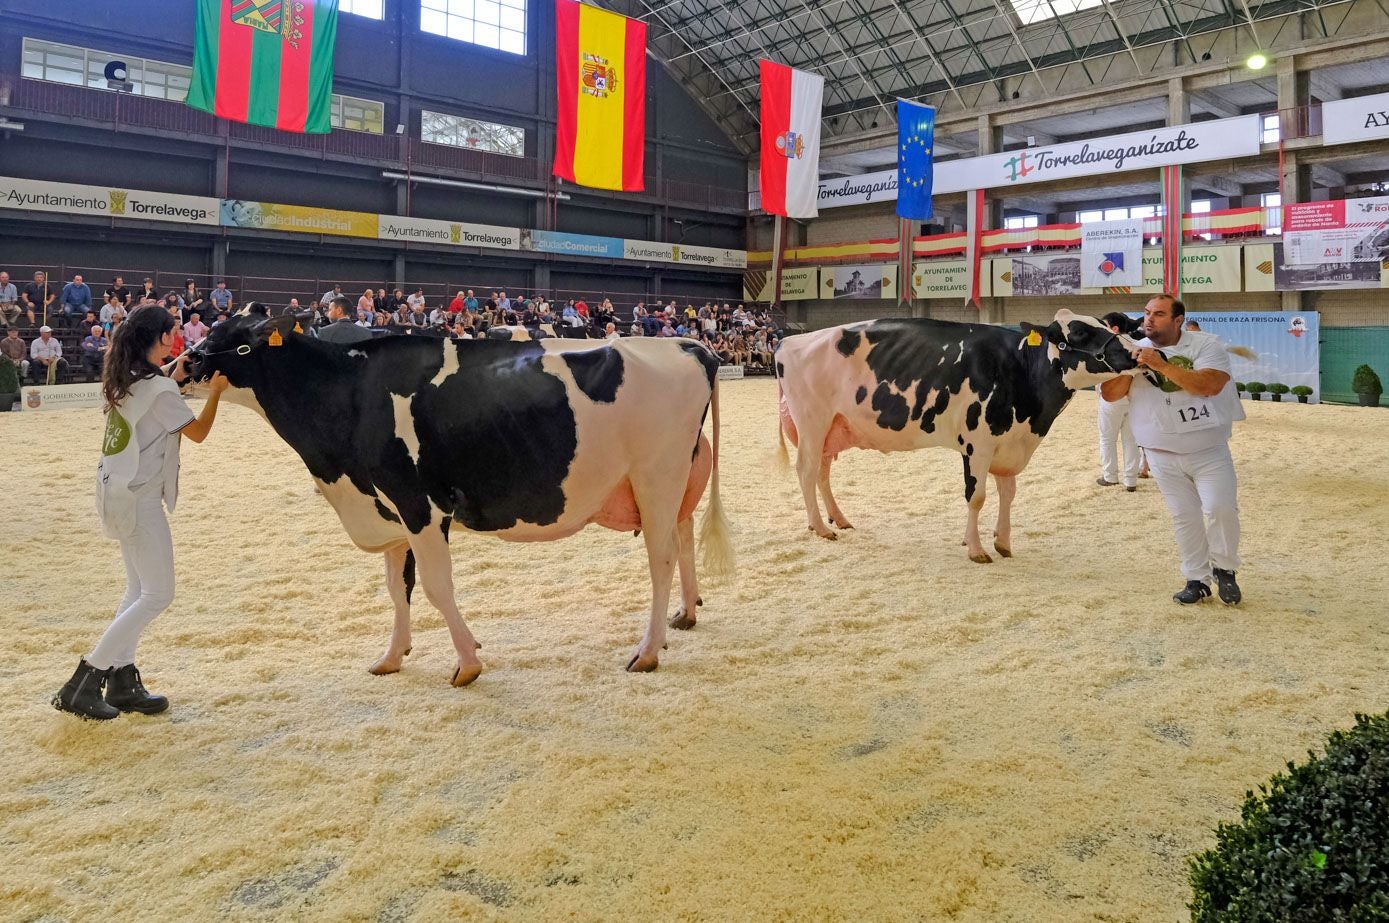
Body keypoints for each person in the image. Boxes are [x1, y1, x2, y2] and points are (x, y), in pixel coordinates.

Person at [52, 305, 229, 720]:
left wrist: (175, 374)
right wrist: (215, 392)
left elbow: (156, 392)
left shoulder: (129, 379)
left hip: (117, 491)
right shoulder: (160, 389)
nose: (177, 336)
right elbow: (198, 433)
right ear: (164, 338)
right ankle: (84, 679)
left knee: (137, 591)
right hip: (141, 499)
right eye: (173, 331)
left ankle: (121, 680)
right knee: (158, 594)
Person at [1100, 294, 1244, 606]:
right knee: (1184, 516)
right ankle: (1196, 579)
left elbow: (1208, 385)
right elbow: (1109, 395)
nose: (1149, 319)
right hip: (1160, 451)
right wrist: (1127, 370)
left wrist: (1159, 364)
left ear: (1178, 320)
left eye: (1159, 314)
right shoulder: (1133, 350)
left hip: (1208, 449)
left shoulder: (1207, 346)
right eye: (1147, 312)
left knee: (1220, 508)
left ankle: (1225, 569)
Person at [1096, 312, 1142, 492]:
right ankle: (1131, 480)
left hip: (1113, 397)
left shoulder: (1110, 344)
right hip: (1135, 397)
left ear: (1114, 328)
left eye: (1104, 325)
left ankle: (1110, 476)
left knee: (1107, 438)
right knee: (1131, 439)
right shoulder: (1138, 343)